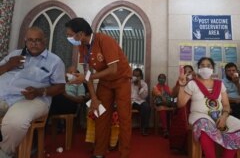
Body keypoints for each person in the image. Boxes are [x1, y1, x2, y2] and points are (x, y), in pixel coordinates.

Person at [65, 18, 132, 158]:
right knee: (100, 114)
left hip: (121, 79)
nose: (68, 38)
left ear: (81, 34)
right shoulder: (82, 47)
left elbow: (113, 69)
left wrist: (86, 78)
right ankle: (99, 152)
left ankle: (124, 153)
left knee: (124, 116)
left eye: (70, 34)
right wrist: (94, 98)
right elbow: (87, 72)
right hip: (105, 82)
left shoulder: (104, 40)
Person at [0, 27, 65, 158]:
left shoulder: (55, 61)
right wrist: (8, 66)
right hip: (3, 94)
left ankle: (4, 153)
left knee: (15, 123)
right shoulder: (15, 54)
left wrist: (39, 91)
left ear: (45, 41)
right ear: (25, 41)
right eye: (30, 40)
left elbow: (60, 87)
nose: (33, 43)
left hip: (32, 99)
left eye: (38, 40)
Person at [177, 57, 240, 158]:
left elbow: (226, 105)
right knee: (204, 125)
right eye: (202, 65)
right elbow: (180, 104)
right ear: (198, 69)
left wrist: (224, 117)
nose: (205, 68)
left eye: (208, 65)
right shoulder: (193, 84)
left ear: (213, 69)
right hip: (199, 116)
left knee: (239, 125)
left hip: (219, 115)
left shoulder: (220, 84)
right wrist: (181, 85)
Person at [169, 65, 194, 151]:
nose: (187, 74)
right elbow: (173, 95)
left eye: (189, 72)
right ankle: (179, 146)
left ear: (193, 73)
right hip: (182, 105)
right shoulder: (179, 81)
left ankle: (192, 146)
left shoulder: (196, 82)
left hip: (194, 105)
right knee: (181, 117)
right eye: (185, 72)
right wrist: (181, 83)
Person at [152, 73, 172, 138]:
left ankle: (171, 129)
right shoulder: (155, 87)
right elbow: (158, 94)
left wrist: (170, 100)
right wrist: (164, 99)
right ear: (158, 79)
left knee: (174, 109)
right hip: (159, 104)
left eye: (163, 78)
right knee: (162, 109)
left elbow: (171, 95)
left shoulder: (167, 87)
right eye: (160, 78)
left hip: (167, 104)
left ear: (165, 79)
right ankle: (165, 130)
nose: (162, 79)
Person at [131, 68, 150, 136]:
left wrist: (139, 87)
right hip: (129, 101)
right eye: (134, 76)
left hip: (139, 102)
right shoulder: (129, 82)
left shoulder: (144, 84)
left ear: (140, 76)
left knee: (146, 107)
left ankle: (144, 128)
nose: (135, 78)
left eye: (137, 76)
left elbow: (144, 96)